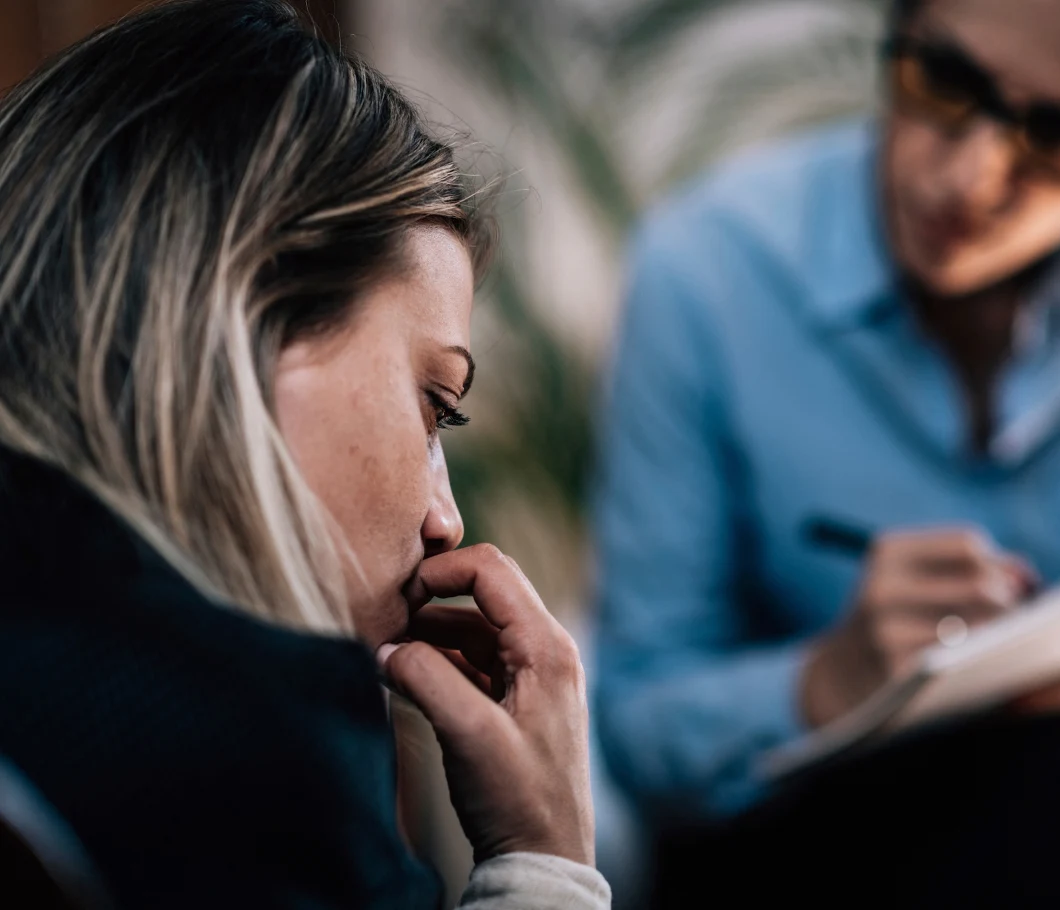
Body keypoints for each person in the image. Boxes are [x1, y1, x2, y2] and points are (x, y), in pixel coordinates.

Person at [593, 0, 1060, 906]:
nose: (969, 175)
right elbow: (638, 720)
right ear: (896, 32)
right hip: (809, 843)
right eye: (943, 81)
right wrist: (829, 681)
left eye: (1058, 134)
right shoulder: (709, 270)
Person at [0, 2, 607, 908]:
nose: (449, 522)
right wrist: (544, 860)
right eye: (437, 403)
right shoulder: (241, 754)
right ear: (249, 315)